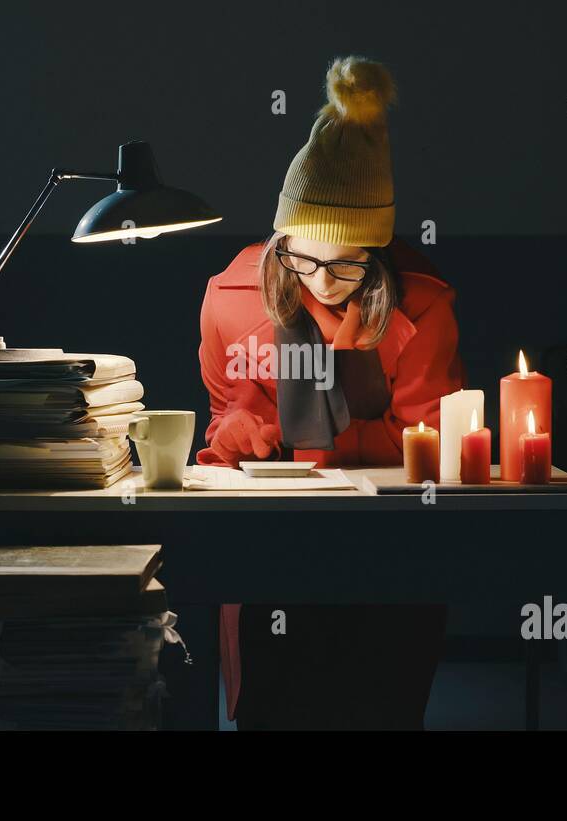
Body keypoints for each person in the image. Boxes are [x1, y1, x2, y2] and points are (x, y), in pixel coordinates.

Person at [196, 56, 465, 729]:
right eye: (302, 256)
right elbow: (219, 435)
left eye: (347, 262)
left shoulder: (422, 307)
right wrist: (235, 433)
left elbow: (427, 447)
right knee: (273, 707)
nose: (320, 279)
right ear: (279, 239)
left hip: (391, 551)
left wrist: (303, 438)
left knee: (381, 707)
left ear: (377, 253)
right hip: (272, 553)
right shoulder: (230, 300)